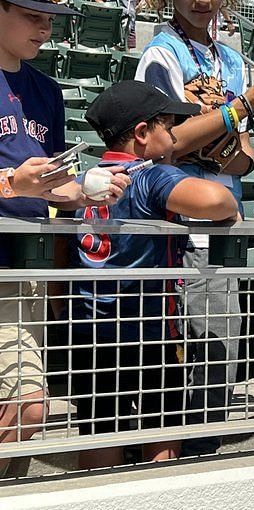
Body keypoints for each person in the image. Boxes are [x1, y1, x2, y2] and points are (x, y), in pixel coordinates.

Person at [135, 0, 254, 456]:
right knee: (186, 354)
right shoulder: (162, 53)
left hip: (223, 224)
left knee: (219, 354)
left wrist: (220, 139)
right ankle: (174, 458)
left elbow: (243, 154)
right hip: (180, 223)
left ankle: (202, 456)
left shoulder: (229, 58)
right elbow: (164, 143)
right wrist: (237, 111)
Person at [67, 80, 240, 470]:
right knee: (161, 434)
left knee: (99, 431)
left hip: (91, 330)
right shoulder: (150, 175)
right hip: (150, 330)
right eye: (167, 125)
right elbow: (216, 200)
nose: (174, 135)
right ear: (143, 134)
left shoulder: (87, 180)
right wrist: (231, 207)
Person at [0, 0, 130, 477]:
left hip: (25, 272)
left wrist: (93, 188)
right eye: (33, 15)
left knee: (26, 409)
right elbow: (20, 183)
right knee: (26, 409)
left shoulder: (46, 91)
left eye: (50, 18)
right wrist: (10, 183)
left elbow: (55, 185)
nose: (46, 27)